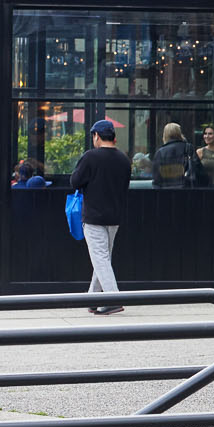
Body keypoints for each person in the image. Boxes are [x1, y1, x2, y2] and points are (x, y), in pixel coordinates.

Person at [69, 120, 131, 315]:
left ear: (96, 136)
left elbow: (75, 182)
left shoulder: (90, 157)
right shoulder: (123, 159)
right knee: (103, 258)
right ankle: (93, 298)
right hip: (115, 216)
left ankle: (113, 299)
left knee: (100, 258)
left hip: (94, 216)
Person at [151, 122, 195, 187]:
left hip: (166, 190)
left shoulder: (160, 152)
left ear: (165, 135)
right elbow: (196, 169)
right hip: (185, 189)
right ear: (179, 133)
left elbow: (156, 178)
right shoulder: (188, 148)